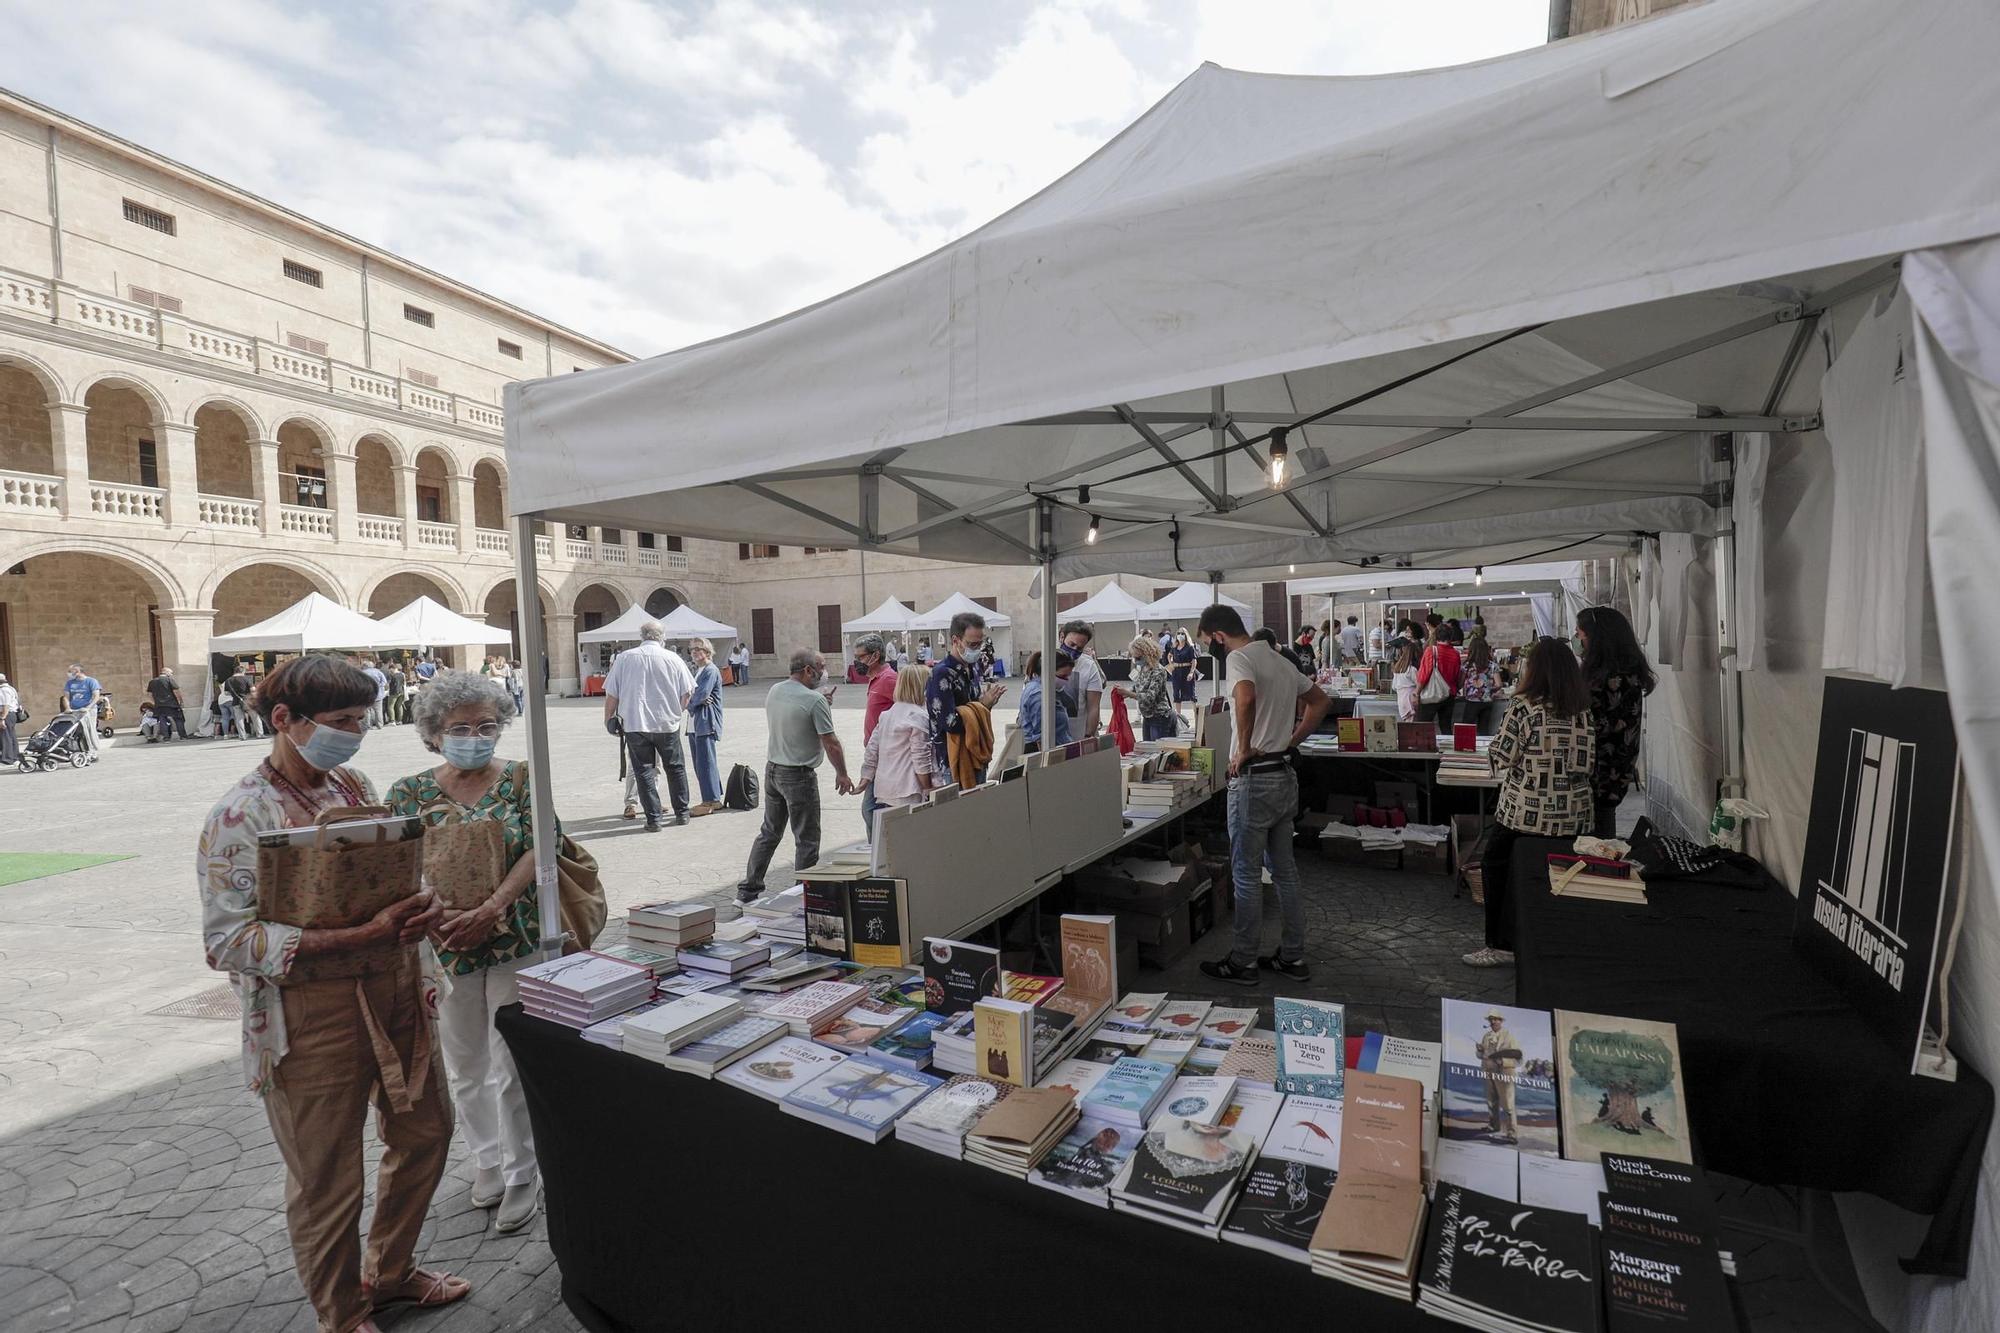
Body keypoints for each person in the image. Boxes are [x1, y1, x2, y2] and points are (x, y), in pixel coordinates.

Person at [196, 653, 464, 1332]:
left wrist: (422, 922)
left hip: (395, 985)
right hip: (307, 1012)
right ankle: (343, 1313)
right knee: (327, 1176)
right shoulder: (239, 814)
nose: (357, 732)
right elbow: (228, 941)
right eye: (342, 721)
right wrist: (358, 935)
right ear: (285, 720)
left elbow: (398, 875)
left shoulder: (351, 783)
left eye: (361, 719)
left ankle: (392, 1271)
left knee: (427, 1128)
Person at [387, 670, 543, 1236]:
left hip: (513, 935)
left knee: (511, 1060)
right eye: (460, 727)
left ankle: (523, 1169)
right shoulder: (407, 793)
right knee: (466, 1062)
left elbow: (539, 847)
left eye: (487, 725)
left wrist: (492, 908)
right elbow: (397, 868)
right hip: (443, 943)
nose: (475, 735)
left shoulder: (525, 778)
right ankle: (487, 1161)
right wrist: (441, 914)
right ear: (434, 733)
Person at [1195, 606, 1330, 987]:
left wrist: (1245, 747)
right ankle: (1292, 956)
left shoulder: (1239, 658)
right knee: (1285, 872)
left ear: (1218, 636)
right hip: (1284, 774)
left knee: (1246, 873)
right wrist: (1290, 741)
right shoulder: (1279, 659)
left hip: (1254, 779)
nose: (1211, 651)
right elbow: (1320, 702)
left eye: (1208, 643)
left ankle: (1243, 961)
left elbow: (1246, 699)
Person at [1464, 637, 1596, 968]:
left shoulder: (1524, 705)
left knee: (1497, 870)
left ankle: (1501, 944)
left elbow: (1504, 754)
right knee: (1558, 880)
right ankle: (1554, 942)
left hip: (1527, 811)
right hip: (1575, 813)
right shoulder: (1582, 709)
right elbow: (1589, 761)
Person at [738, 650, 854, 903]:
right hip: (798, 776)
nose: (825, 673)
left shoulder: (776, 690)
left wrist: (820, 701)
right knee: (807, 839)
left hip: (773, 770)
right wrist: (842, 773)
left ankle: (748, 890)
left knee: (769, 833)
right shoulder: (814, 701)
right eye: (821, 667)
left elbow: (796, 711)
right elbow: (831, 742)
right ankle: (803, 895)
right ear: (808, 670)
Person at [603, 621, 696, 832]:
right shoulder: (673, 658)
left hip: (636, 723)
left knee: (643, 771)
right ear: (662, 637)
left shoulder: (625, 658)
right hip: (666, 723)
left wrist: (608, 718)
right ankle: (681, 813)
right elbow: (688, 692)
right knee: (675, 767)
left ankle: (653, 819)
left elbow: (612, 694)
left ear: (641, 636)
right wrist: (677, 711)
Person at [1576, 605, 1657, 838]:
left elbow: (1597, 725)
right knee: (1602, 825)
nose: (1579, 640)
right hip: (1615, 770)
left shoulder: (1609, 678)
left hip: (1602, 770)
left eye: (1581, 634)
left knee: (1598, 836)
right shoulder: (1627, 672)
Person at [926, 612, 1006, 779]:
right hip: (953, 761)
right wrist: (982, 706)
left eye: (980, 644)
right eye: (972, 644)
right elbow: (950, 723)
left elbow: (973, 710)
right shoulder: (941, 673)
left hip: (975, 753)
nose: (977, 649)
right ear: (956, 641)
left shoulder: (973, 667)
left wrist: (986, 705)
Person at [858, 665, 937, 813]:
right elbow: (920, 757)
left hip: (886, 787)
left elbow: (872, 749)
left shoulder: (887, 715)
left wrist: (866, 777)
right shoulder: (919, 716)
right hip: (909, 788)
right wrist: (928, 788)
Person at [854, 633, 895, 833]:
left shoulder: (889, 679)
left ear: (875, 655)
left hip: (886, 753)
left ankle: (878, 852)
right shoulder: (875, 679)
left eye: (861, 657)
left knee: (870, 808)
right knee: (873, 808)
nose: (857, 662)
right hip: (875, 753)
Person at [685, 638, 726, 815]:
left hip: (705, 722)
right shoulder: (699, 670)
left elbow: (700, 695)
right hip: (696, 722)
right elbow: (696, 696)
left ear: (707, 652)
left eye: (698, 649)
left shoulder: (710, 671)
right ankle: (713, 797)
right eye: (692, 649)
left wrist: (687, 701)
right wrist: (693, 699)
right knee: (701, 762)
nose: (694, 652)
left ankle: (710, 800)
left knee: (705, 762)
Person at [1116, 632, 1177, 741]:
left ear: (1147, 654)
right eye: (1134, 658)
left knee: (1157, 751)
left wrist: (1128, 693)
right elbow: (1138, 686)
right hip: (1148, 717)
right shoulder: (1142, 669)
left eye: (1138, 657)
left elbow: (1149, 697)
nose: (1136, 661)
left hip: (1160, 717)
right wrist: (1124, 692)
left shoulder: (1158, 670)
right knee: (1148, 750)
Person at [1475, 1009, 1522, 1143]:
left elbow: (1519, 1059)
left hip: (1504, 1074)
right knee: (1491, 1101)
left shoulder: (1509, 1036)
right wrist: (1479, 1051)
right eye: (1491, 1019)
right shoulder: (1486, 1036)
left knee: (1508, 1104)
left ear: (1501, 1021)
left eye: (1496, 1019)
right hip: (1488, 1072)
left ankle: (1512, 1133)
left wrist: (1503, 1061)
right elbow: (1481, 1056)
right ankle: (1493, 1126)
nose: (1493, 1021)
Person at [1017, 650, 1074, 752]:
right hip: (1046, 751)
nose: (1067, 680)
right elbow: (1041, 736)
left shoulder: (1043, 688)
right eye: (1063, 676)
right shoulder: (1039, 695)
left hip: (1055, 747)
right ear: (1047, 672)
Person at [1058, 621, 1105, 738]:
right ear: (1062, 637)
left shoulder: (1088, 666)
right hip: (1048, 738)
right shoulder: (1043, 661)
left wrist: (1088, 736)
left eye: (1079, 648)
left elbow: (1093, 707)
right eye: (1071, 644)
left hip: (1077, 736)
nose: (1074, 650)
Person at [1415, 621, 1461, 730]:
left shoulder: (1431, 651)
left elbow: (1424, 674)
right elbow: (1457, 675)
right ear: (1450, 636)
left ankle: (1425, 746)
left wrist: (1416, 692)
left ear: (1436, 636)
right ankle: (1448, 746)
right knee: (1445, 726)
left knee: (1423, 725)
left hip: (1431, 693)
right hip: (1449, 694)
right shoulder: (1455, 654)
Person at [1456, 635, 1502, 734]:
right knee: (1483, 729)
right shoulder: (1492, 665)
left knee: (1466, 728)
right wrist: (1489, 689)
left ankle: (1466, 746)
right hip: (1487, 701)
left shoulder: (1467, 665)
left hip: (1471, 701)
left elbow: (1460, 683)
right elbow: (1499, 684)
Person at [62, 664, 102, 761]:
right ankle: (79, 750)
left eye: (71, 671)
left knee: (89, 730)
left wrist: (88, 707)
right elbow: (66, 697)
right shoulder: (70, 683)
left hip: (88, 711)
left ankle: (92, 752)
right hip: (75, 710)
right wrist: (67, 708)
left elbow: (96, 696)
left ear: (78, 671)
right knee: (76, 731)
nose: (69, 673)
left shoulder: (91, 681)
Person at [144, 666, 188, 741]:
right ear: (166, 672)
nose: (171, 674)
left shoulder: (152, 681)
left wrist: (155, 702)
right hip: (171, 704)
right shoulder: (169, 680)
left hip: (159, 705)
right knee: (179, 719)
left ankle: (166, 737)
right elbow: (176, 692)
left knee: (162, 720)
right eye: (171, 673)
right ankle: (183, 736)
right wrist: (181, 701)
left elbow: (149, 694)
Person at [226, 666, 261, 739]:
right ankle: (259, 734)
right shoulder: (246, 678)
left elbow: (227, 693)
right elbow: (253, 690)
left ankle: (242, 736)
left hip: (236, 701)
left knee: (239, 719)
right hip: (248, 701)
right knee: (255, 717)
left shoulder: (228, 680)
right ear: (243, 671)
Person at [1168, 630, 1200, 711]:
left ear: (1186, 635)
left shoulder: (1190, 647)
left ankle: (1196, 716)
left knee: (1191, 694)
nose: (1180, 635)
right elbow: (1169, 655)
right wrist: (1171, 664)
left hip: (1187, 670)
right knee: (1177, 695)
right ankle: (1179, 717)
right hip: (1176, 672)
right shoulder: (1175, 647)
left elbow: (1194, 660)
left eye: (1182, 633)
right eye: (1178, 633)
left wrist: (1191, 672)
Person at [1391, 641, 1420, 721]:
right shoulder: (1412, 669)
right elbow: (1419, 683)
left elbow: (1394, 686)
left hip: (1401, 699)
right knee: (1412, 724)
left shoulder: (1397, 669)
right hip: (1410, 699)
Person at [0, 671, 19, 765]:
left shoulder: (4, 690)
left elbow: (6, 705)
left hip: (7, 714)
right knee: (11, 736)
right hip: (11, 714)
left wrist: (2, 718)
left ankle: (8, 759)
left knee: (6, 736)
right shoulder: (11, 688)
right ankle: (14, 757)